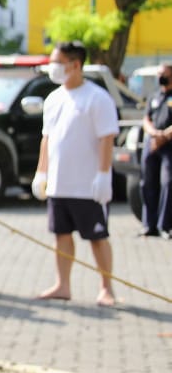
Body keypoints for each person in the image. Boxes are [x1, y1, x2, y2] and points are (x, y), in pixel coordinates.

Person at [31, 41, 118, 306]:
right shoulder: (53, 98)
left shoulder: (97, 98)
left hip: (87, 184)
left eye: (58, 62)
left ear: (76, 64)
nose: (53, 68)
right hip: (59, 184)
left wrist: (103, 174)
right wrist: (41, 173)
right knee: (61, 235)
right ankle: (63, 285)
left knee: (97, 237)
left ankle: (106, 288)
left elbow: (106, 138)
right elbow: (46, 139)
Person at [139, 62, 172, 238]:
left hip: (168, 146)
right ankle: (149, 225)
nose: (161, 77)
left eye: (164, 73)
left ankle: (165, 226)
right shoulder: (154, 96)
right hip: (152, 144)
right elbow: (146, 118)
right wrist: (154, 134)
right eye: (159, 73)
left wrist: (164, 136)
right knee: (147, 183)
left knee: (167, 183)